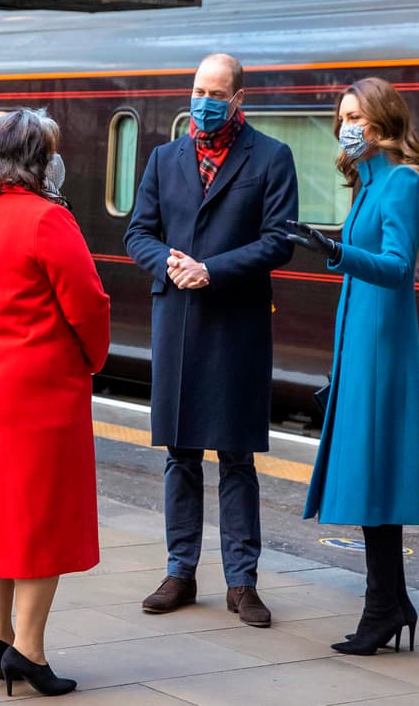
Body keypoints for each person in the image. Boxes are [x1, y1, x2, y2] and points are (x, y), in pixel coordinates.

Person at [124, 53, 298, 626]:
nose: (204, 102)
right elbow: (138, 232)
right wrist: (168, 265)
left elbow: (279, 241)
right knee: (180, 455)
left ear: (238, 99)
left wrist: (212, 270)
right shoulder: (164, 158)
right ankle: (180, 572)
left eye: (216, 94)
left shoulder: (271, 157)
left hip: (236, 325)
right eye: (198, 91)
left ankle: (242, 583)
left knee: (236, 457)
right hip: (177, 320)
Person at [0, 108, 110, 697]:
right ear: (37, 160)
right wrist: (91, 360)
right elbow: (89, 305)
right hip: (39, 395)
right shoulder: (47, 220)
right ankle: (29, 650)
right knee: (42, 523)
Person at [287, 77, 419, 655]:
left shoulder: (401, 182)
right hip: (360, 343)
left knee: (375, 473)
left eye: (355, 117)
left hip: (381, 347)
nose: (345, 127)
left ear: (381, 122)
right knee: (371, 473)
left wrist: (335, 250)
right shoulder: (367, 183)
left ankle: (384, 607)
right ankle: (389, 602)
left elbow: (398, 267)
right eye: (342, 117)